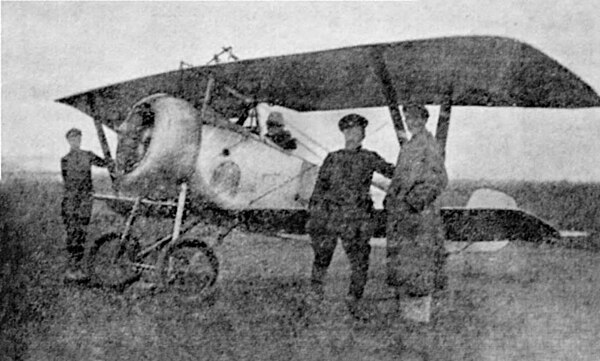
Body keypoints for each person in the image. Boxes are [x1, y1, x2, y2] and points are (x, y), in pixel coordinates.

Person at [306, 113, 394, 320]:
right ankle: (314, 299)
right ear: (343, 133)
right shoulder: (332, 158)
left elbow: (393, 172)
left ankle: (355, 301)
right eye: (349, 130)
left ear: (363, 135)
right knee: (321, 258)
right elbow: (319, 189)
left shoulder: (369, 157)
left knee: (360, 263)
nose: (353, 134)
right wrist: (315, 216)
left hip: (356, 220)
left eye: (357, 131)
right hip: (331, 218)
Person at [384, 104, 448, 318]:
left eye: (416, 119)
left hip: (418, 216)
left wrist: (413, 202)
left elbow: (439, 179)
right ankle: (407, 313)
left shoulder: (428, 144)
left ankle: (419, 316)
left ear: (424, 120)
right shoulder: (411, 145)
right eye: (408, 119)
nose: (412, 123)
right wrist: (390, 198)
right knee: (406, 263)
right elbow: (400, 177)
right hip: (404, 215)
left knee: (420, 263)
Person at [61, 128, 111, 282]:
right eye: (72, 139)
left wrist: (111, 159)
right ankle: (71, 269)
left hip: (84, 201)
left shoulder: (88, 155)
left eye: (78, 138)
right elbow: (66, 180)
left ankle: (78, 269)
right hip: (70, 201)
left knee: (81, 233)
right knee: (72, 233)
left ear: (80, 140)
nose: (76, 141)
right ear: (68, 141)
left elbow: (105, 163)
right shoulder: (65, 160)